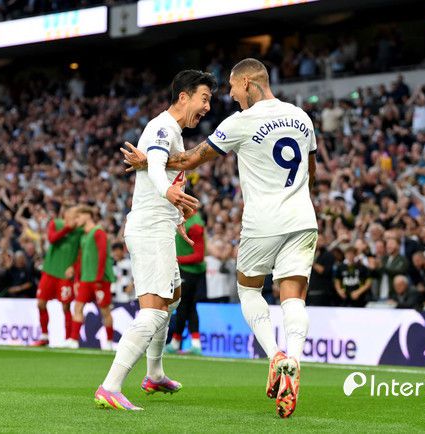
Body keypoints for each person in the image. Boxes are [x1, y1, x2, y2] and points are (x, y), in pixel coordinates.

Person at [123, 58, 317, 418]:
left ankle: (275, 356)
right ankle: (295, 357)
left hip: (263, 222)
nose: (230, 95)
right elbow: (312, 172)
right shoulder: (302, 117)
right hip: (304, 218)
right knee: (293, 296)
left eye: (232, 86)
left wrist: (147, 161)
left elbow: (189, 160)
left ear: (247, 83)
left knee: (249, 290)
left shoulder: (241, 121)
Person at [95, 70, 215, 411]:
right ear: (183, 97)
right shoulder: (163, 127)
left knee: (173, 298)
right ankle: (110, 386)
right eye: (204, 99)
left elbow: (154, 171)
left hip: (158, 226)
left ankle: (155, 374)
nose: (207, 107)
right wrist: (170, 194)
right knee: (154, 311)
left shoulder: (173, 131)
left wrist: (175, 217)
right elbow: (158, 166)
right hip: (149, 229)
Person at [65, 206, 115, 350]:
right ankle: (74, 340)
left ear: (87, 215)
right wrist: (77, 277)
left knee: (105, 311)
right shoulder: (84, 235)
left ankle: (109, 342)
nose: (76, 221)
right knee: (78, 306)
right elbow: (82, 259)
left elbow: (102, 256)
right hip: (86, 279)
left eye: (78, 217)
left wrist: (99, 278)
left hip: (100, 280)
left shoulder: (99, 232)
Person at [32, 206, 82, 347]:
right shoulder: (55, 224)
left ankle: (69, 339)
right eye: (71, 214)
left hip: (65, 275)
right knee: (41, 303)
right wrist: (67, 228)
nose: (74, 217)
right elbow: (52, 239)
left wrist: (74, 267)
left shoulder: (80, 231)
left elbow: (81, 253)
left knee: (66, 306)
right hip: (49, 271)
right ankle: (44, 336)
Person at [166, 205, 206, 355]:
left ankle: (179, 343)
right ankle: (190, 342)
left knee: (184, 306)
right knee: (187, 307)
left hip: (190, 272)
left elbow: (199, 255)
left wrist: (177, 259)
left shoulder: (194, 225)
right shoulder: (186, 220)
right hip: (187, 271)